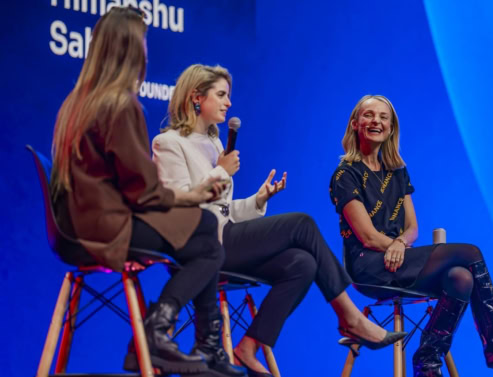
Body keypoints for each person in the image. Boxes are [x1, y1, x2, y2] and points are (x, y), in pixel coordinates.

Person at [151, 64, 406, 376]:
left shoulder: (216, 144)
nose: (229, 103)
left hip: (225, 237)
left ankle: (249, 345)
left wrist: (258, 200)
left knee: (302, 263)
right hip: (198, 247)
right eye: (221, 95)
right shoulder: (169, 143)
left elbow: (222, 209)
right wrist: (220, 172)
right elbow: (178, 206)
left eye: (228, 95)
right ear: (195, 97)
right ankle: (350, 317)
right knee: (301, 224)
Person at [49, 7, 244, 376]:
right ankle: (160, 333)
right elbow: (143, 193)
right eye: (142, 42)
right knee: (205, 236)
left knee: (200, 228)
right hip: (105, 231)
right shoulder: (119, 105)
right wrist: (194, 196)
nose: (146, 52)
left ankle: (171, 339)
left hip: (75, 230)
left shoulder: (75, 104)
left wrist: (193, 197)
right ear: (129, 50)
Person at [329, 94, 493, 376]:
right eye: (369, 115)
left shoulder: (398, 172)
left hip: (398, 259)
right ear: (355, 123)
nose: (376, 121)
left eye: (383, 117)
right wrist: (396, 245)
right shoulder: (345, 174)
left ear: (391, 127)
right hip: (369, 266)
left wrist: (401, 243)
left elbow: (412, 228)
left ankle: (428, 359)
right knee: (471, 252)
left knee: (461, 278)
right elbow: (368, 237)